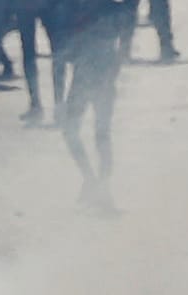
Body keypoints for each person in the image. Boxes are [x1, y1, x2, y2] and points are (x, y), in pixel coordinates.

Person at [58, 0, 126, 213]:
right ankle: (98, 183)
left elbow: (64, 51)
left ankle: (95, 181)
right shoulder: (110, 8)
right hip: (99, 75)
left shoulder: (75, 9)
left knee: (80, 131)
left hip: (88, 75)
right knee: (100, 134)